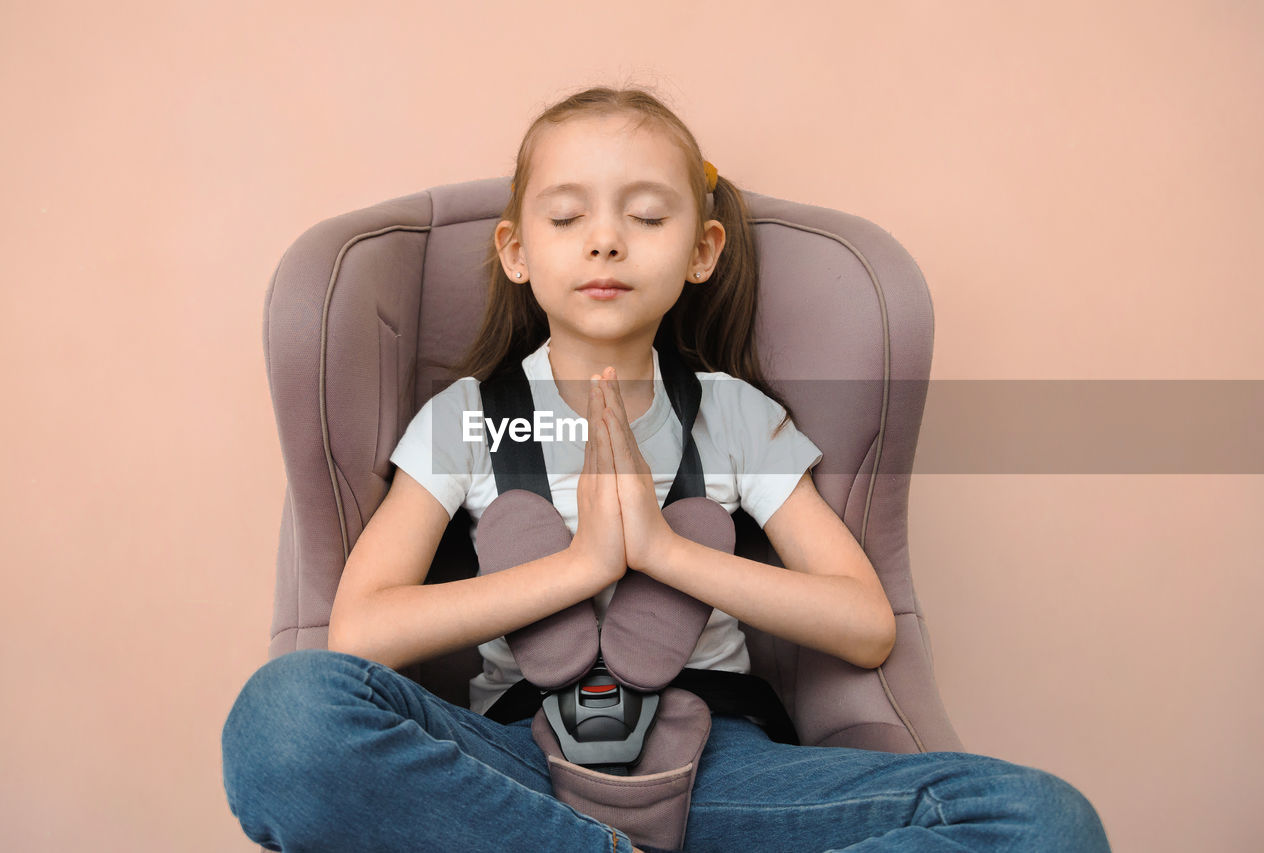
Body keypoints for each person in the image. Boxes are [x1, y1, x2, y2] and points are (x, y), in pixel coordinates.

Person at [222, 86, 1111, 852]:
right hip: (512, 771)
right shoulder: (464, 420)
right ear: (516, 251)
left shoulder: (730, 414)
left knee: (1041, 820)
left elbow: (865, 625)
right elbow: (360, 633)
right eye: (567, 217)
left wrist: (658, 548)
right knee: (283, 719)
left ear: (702, 251)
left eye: (646, 216)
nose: (605, 242)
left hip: (718, 767)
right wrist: (581, 567)